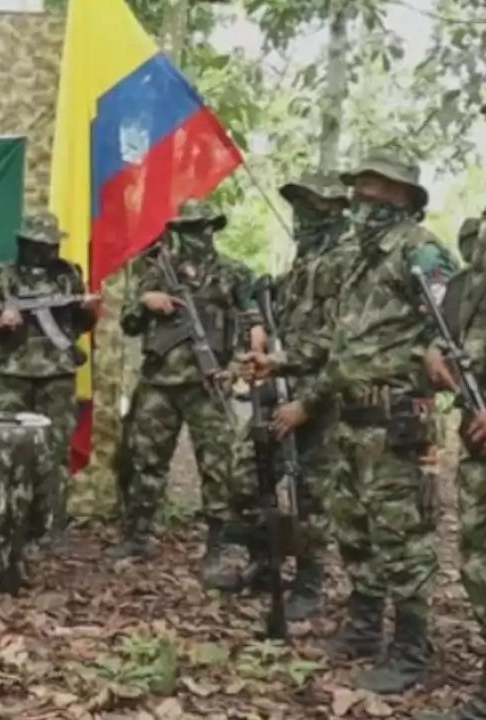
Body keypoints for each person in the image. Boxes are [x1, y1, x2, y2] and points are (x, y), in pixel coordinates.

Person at [246, 149, 457, 695]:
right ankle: (364, 628)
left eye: (379, 187)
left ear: (405, 197)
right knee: (356, 530)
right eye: (361, 185)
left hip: (396, 419)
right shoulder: (362, 260)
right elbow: (342, 351)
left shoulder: (420, 249)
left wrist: (441, 348)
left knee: (401, 537)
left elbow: (455, 313)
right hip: (351, 416)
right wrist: (285, 365)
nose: (365, 196)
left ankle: (411, 649)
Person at [117, 199, 260, 591]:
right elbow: (128, 322)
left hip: (208, 382)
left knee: (218, 466)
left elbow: (254, 323)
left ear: (212, 229)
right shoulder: (156, 273)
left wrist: (236, 368)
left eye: (201, 228)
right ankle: (138, 536)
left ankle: (217, 543)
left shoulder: (234, 273)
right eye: (187, 229)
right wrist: (146, 302)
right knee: (145, 461)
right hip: (159, 382)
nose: (195, 236)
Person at [227, 173, 350, 618]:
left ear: (335, 210)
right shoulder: (300, 265)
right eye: (297, 206)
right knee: (245, 476)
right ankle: (266, 560)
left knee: (312, 495)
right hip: (279, 391)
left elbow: (340, 343)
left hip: (321, 396)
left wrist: (304, 396)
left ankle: (310, 583)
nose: (301, 216)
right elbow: (263, 308)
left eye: (311, 206)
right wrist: (256, 337)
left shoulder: (348, 261)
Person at [0, 212, 98, 548]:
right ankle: (9, 525)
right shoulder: (3, 275)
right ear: (25, 244)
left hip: (57, 375)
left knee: (55, 452)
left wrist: (87, 308)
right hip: (13, 374)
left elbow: (81, 325)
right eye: (39, 245)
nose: (46, 251)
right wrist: (1, 321)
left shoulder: (69, 275)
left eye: (50, 245)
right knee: (9, 452)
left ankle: (53, 526)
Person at [417, 214, 486, 720]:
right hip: (476, 439)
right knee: (476, 564)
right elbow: (445, 334)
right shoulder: (467, 280)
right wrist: (434, 354)